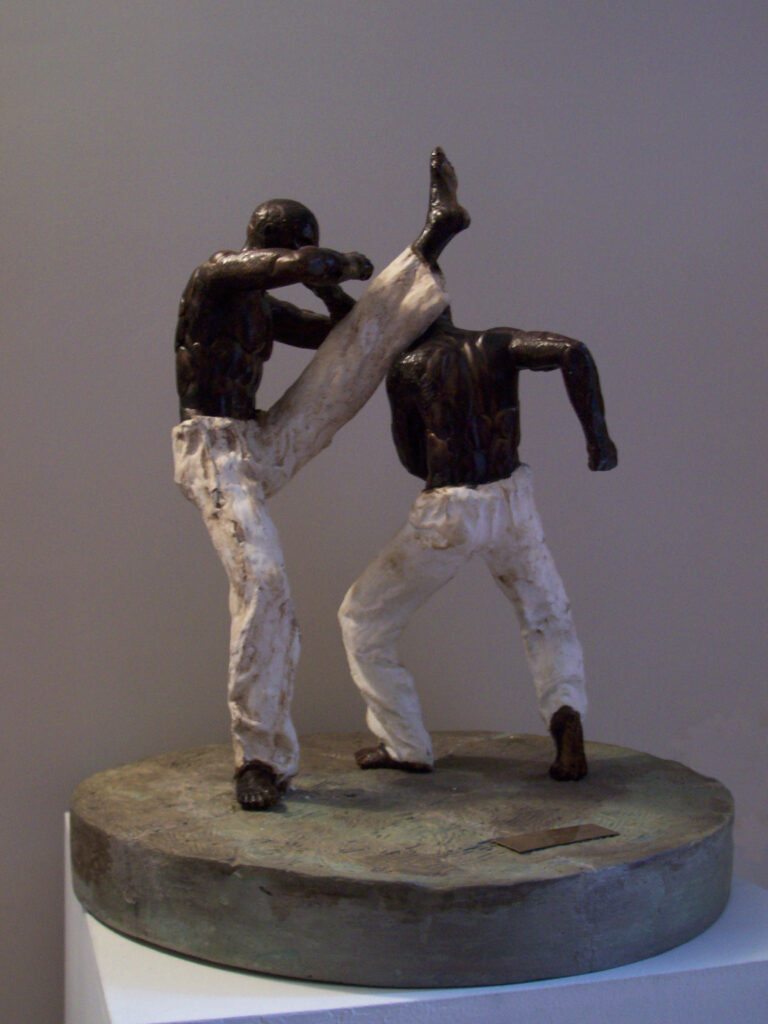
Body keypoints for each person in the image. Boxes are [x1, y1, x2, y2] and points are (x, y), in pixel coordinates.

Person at [173, 150, 469, 809]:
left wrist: (335, 287)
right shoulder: (215, 277)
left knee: (356, 347)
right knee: (265, 583)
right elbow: (299, 266)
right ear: (275, 242)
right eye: (297, 245)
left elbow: (345, 332)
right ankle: (259, 759)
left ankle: (434, 237)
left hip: (259, 438)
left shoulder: (263, 309)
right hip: (213, 451)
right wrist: (335, 265)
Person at [338, 307, 617, 782]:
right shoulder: (497, 343)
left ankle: (405, 743)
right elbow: (572, 351)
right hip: (512, 499)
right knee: (546, 613)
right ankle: (566, 717)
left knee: (363, 618)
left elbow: (411, 455)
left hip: (450, 509)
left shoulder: (408, 365)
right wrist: (598, 438)